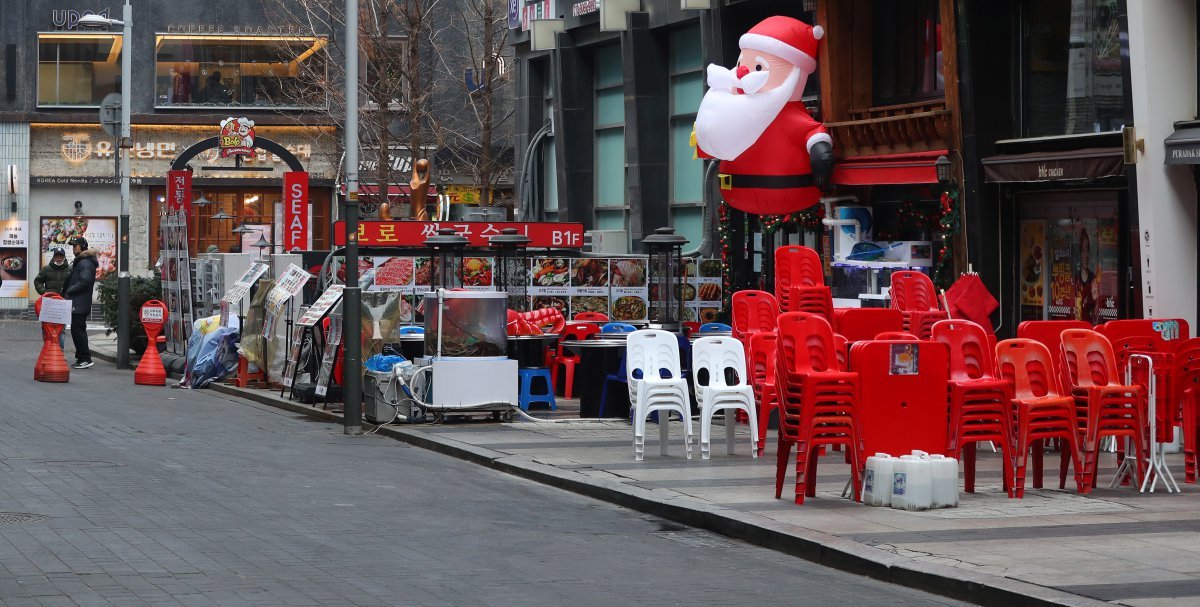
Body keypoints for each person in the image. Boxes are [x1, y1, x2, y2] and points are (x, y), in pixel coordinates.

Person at [61, 236, 99, 369]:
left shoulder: (85, 263)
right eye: (72, 246)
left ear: (82, 247)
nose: (73, 248)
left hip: (79, 303)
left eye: (75, 246)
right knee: (77, 330)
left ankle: (85, 358)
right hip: (78, 302)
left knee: (78, 331)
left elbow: (84, 281)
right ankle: (81, 357)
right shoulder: (82, 261)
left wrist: (69, 291)